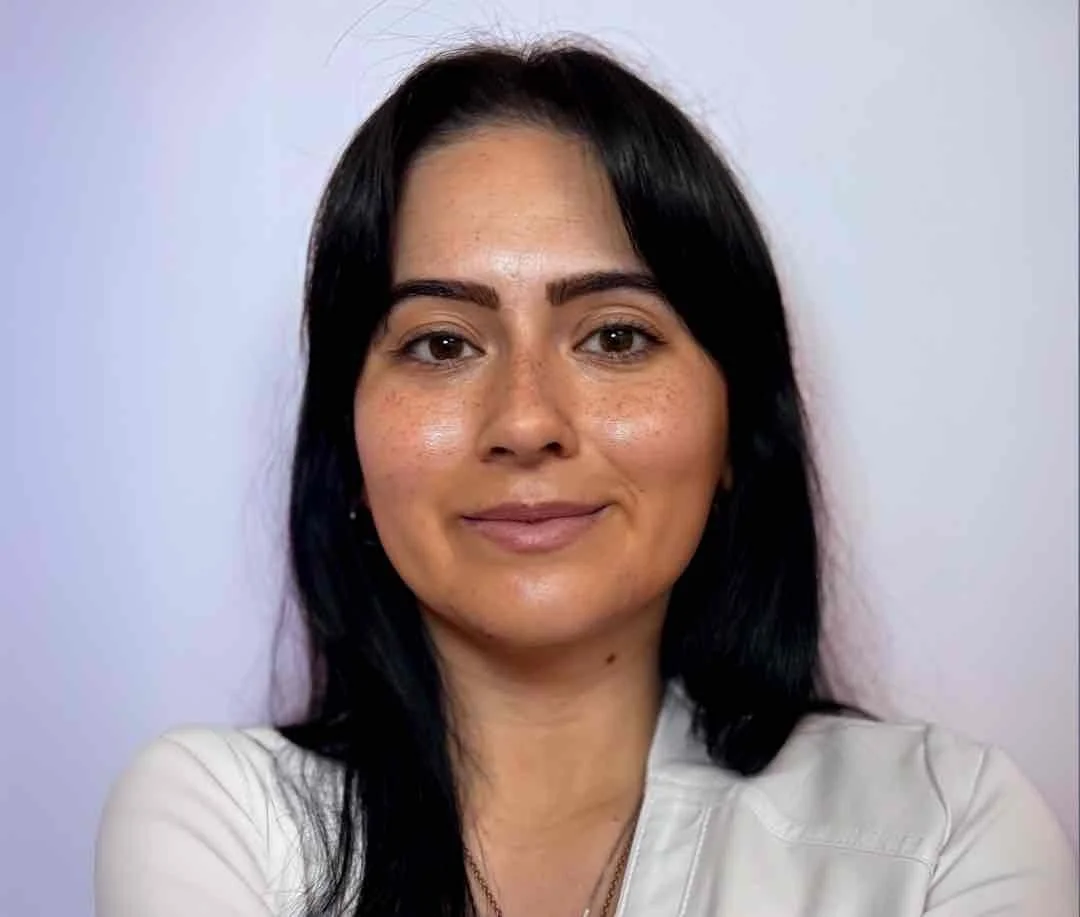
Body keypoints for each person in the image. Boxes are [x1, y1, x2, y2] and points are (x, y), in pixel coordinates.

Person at [94, 42, 1077, 917]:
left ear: (736, 428)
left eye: (616, 335)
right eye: (440, 343)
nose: (526, 421)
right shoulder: (220, 823)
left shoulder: (943, 831)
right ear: (347, 442)